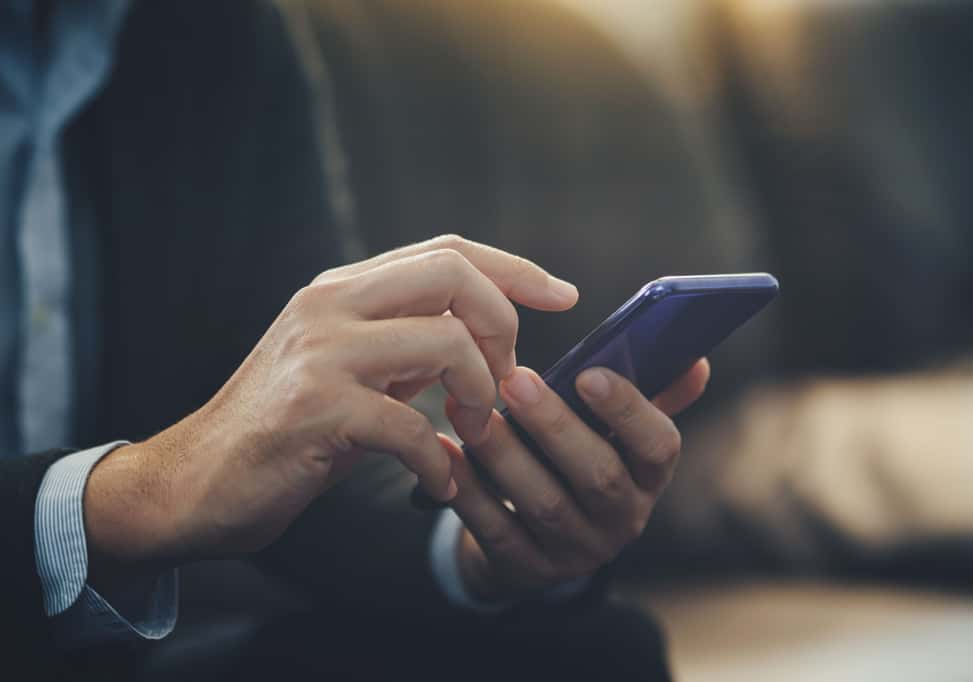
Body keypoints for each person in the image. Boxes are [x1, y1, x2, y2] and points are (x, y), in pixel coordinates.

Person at [0, 2, 708, 679]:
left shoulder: (222, 30)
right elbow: (207, 465)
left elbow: (292, 458)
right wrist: (142, 496)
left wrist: (482, 540)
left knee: (592, 653)